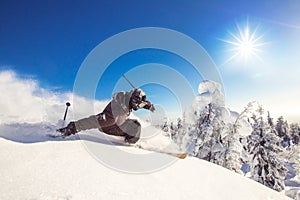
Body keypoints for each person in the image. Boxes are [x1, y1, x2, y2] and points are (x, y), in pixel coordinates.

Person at [57, 88, 155, 144]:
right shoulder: (116, 110)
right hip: (108, 127)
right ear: (133, 99)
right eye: (136, 104)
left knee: (135, 124)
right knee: (134, 126)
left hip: (118, 123)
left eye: (139, 104)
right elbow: (94, 121)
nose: (137, 107)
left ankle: (129, 140)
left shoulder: (130, 100)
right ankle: (129, 143)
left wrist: (149, 106)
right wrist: (73, 127)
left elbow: (143, 103)